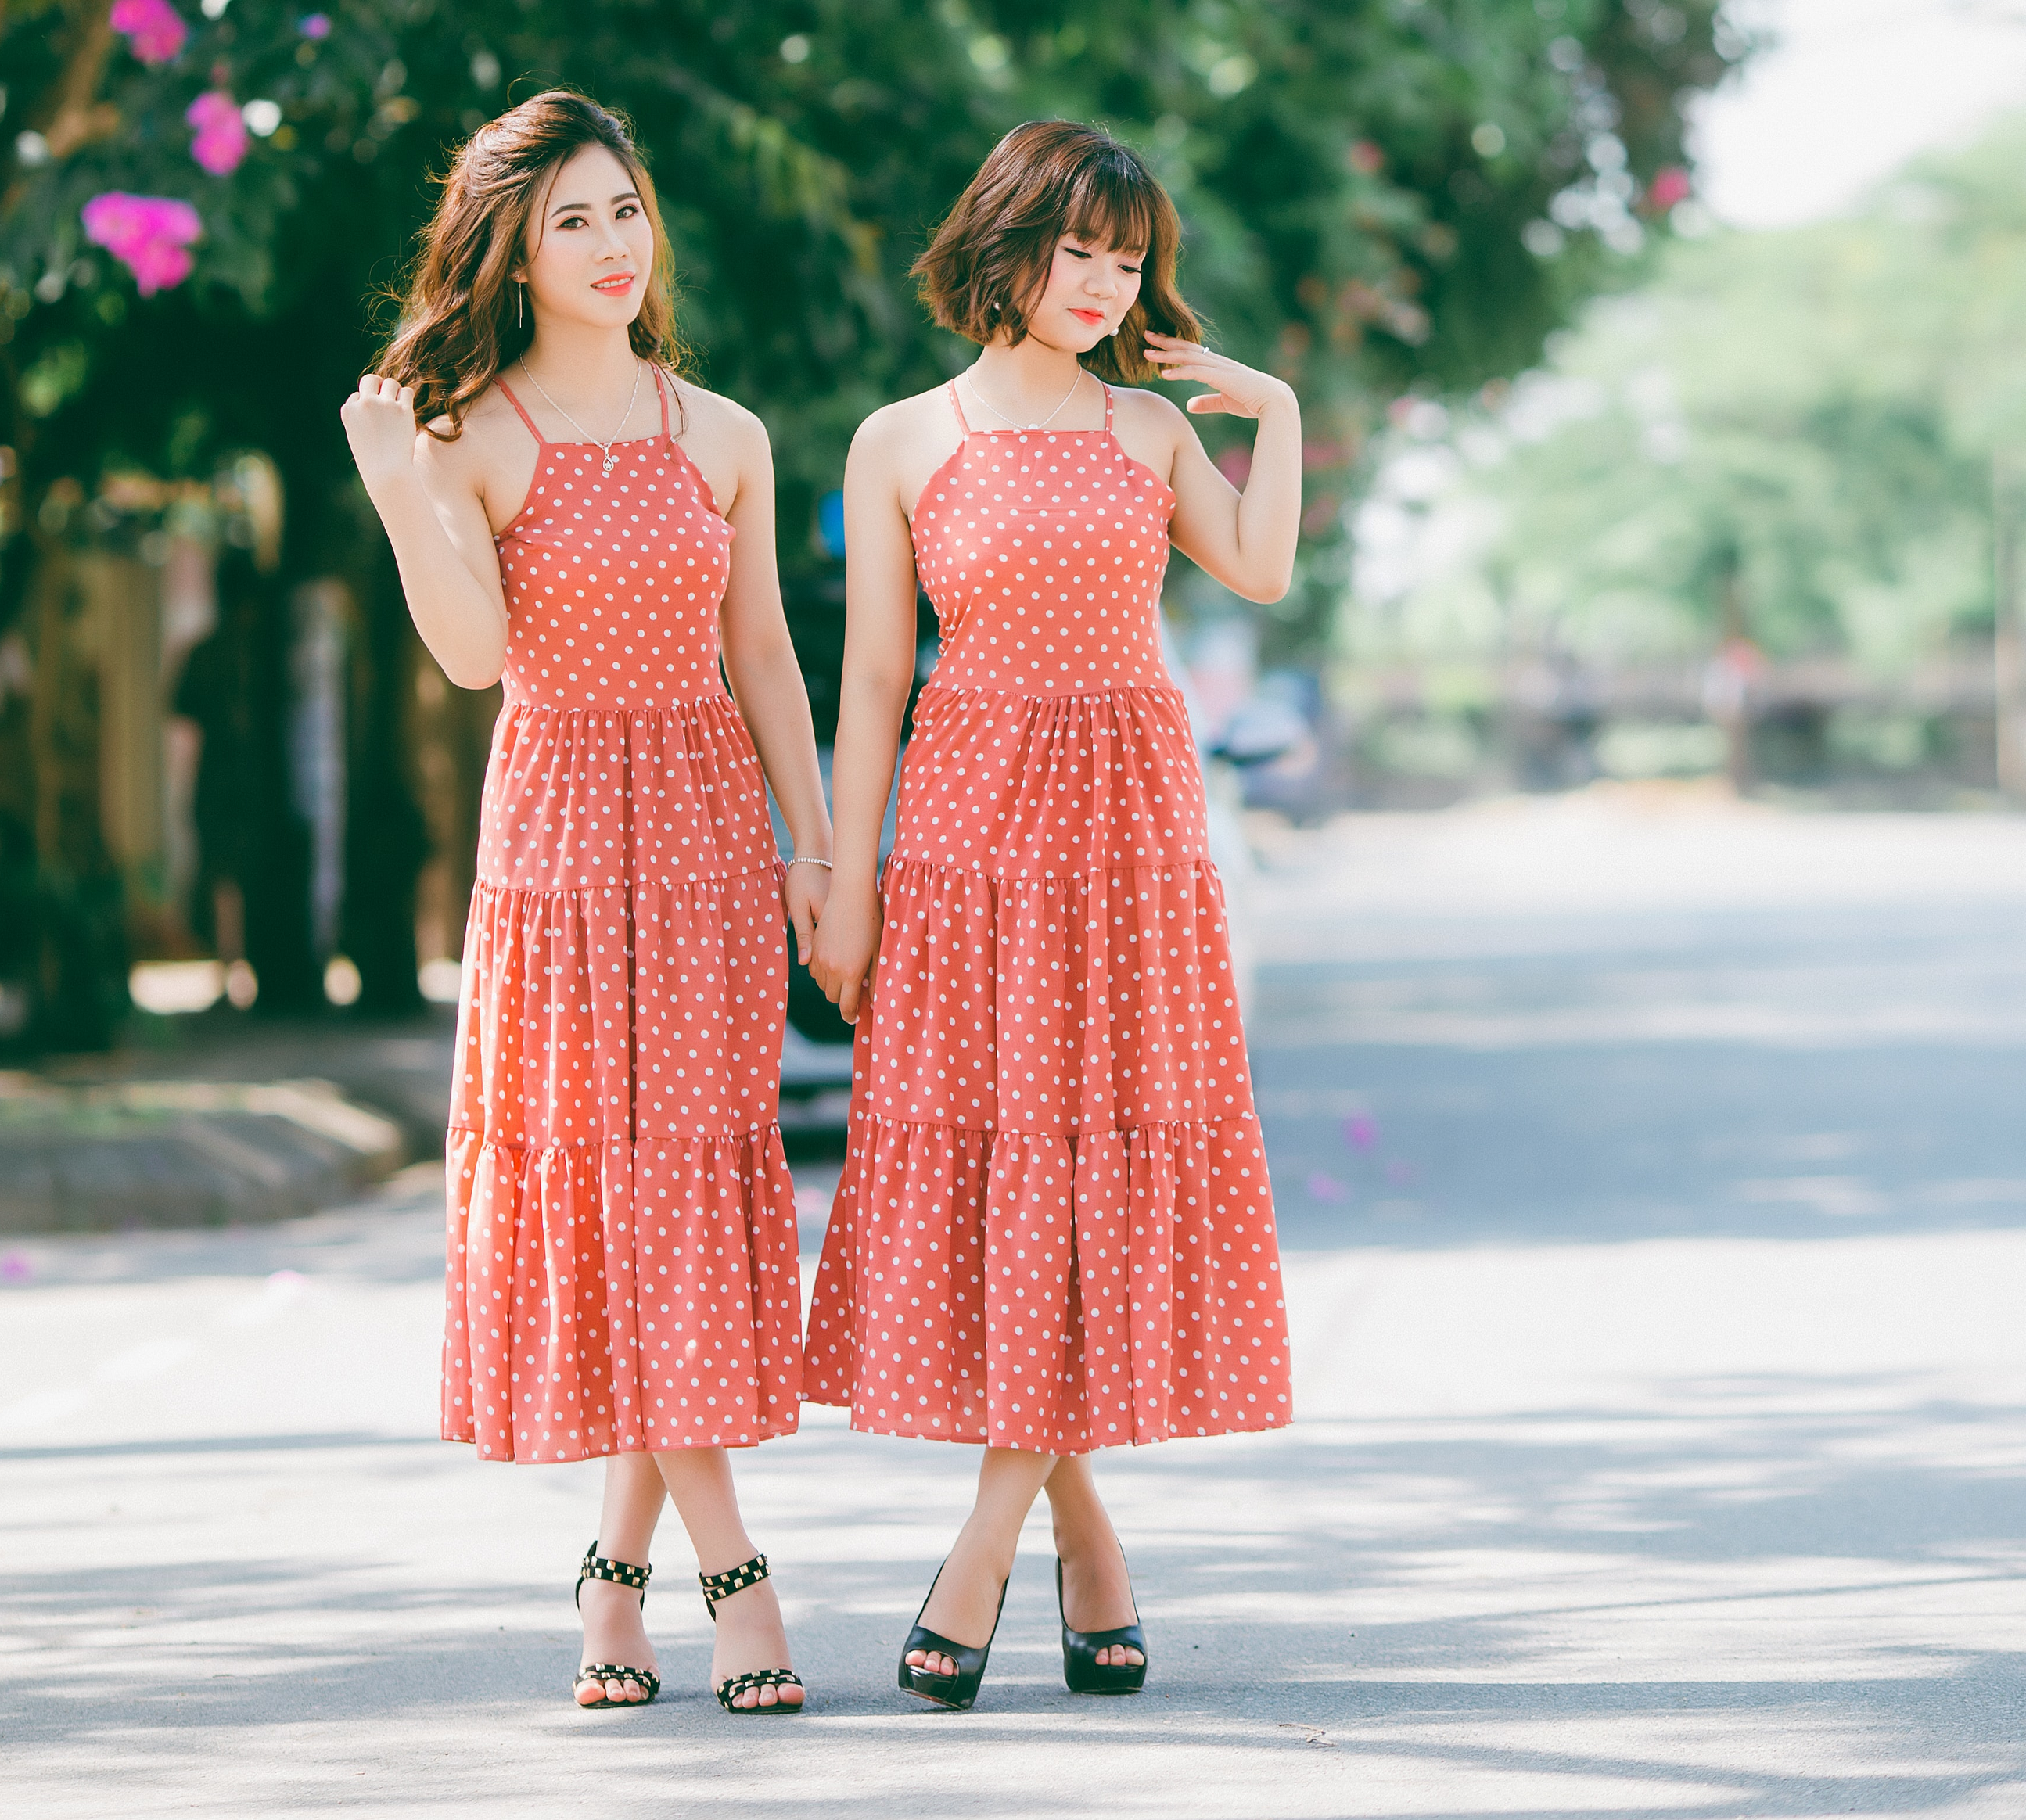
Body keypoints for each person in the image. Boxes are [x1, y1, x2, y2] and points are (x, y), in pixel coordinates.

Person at [339, 90, 829, 1715]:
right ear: (512, 248)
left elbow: (762, 655)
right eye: (572, 221)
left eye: (625, 210)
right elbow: (476, 657)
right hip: (553, 852)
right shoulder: (466, 433)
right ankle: (731, 1571)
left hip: (700, 836)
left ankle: (614, 1578)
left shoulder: (725, 434)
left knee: (672, 1195)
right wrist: (395, 481)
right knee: (610, 1199)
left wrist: (816, 855)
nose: (613, 245)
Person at [805, 120, 1299, 1711]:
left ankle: (986, 1539)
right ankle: (1084, 1539)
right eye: (1077, 248)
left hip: (1131, 837)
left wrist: (1270, 408)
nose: (1105, 282)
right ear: (1004, 244)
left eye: (1127, 255)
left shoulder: (1151, 430)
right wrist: (843, 877)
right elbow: (873, 678)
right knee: (1007, 1175)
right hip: (965, 836)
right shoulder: (902, 436)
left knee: (1094, 1167)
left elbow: (1263, 568)